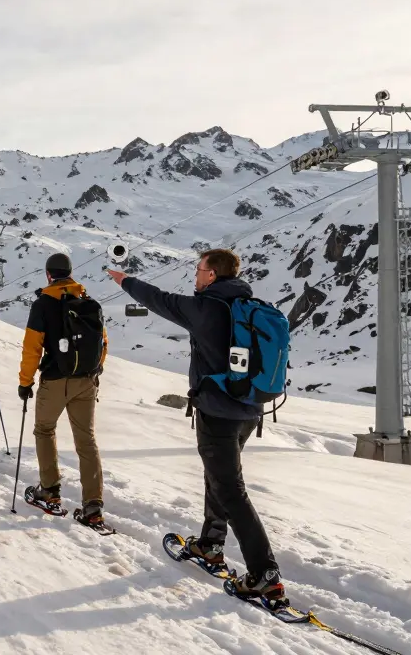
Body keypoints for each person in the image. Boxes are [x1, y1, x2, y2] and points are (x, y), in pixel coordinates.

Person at [107, 248, 285, 604]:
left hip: (218, 413)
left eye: (199, 270)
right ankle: (210, 544)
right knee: (218, 477)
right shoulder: (247, 306)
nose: (195, 276)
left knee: (230, 489)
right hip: (250, 411)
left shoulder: (206, 307)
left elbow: (159, 300)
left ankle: (264, 573)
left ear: (212, 274)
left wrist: (125, 280)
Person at [18, 252, 109, 527]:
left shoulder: (43, 304)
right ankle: (93, 505)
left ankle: (50, 491)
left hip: (56, 380)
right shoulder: (88, 302)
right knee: (86, 441)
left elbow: (32, 348)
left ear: (49, 275)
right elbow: (103, 343)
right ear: (70, 273)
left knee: (45, 430)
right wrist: (96, 370)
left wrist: (25, 382)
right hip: (86, 381)